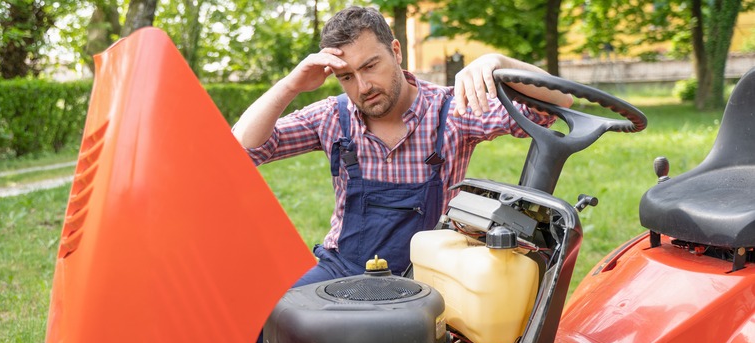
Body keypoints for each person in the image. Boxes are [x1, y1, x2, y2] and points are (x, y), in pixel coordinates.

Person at [231, 6, 572, 288]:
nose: (363, 87)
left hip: (427, 279)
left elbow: (553, 106)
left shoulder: (452, 112)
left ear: (396, 51)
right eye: (347, 76)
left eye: (370, 66)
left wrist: (500, 63)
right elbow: (243, 151)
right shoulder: (331, 117)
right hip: (342, 271)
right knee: (270, 325)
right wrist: (291, 85)